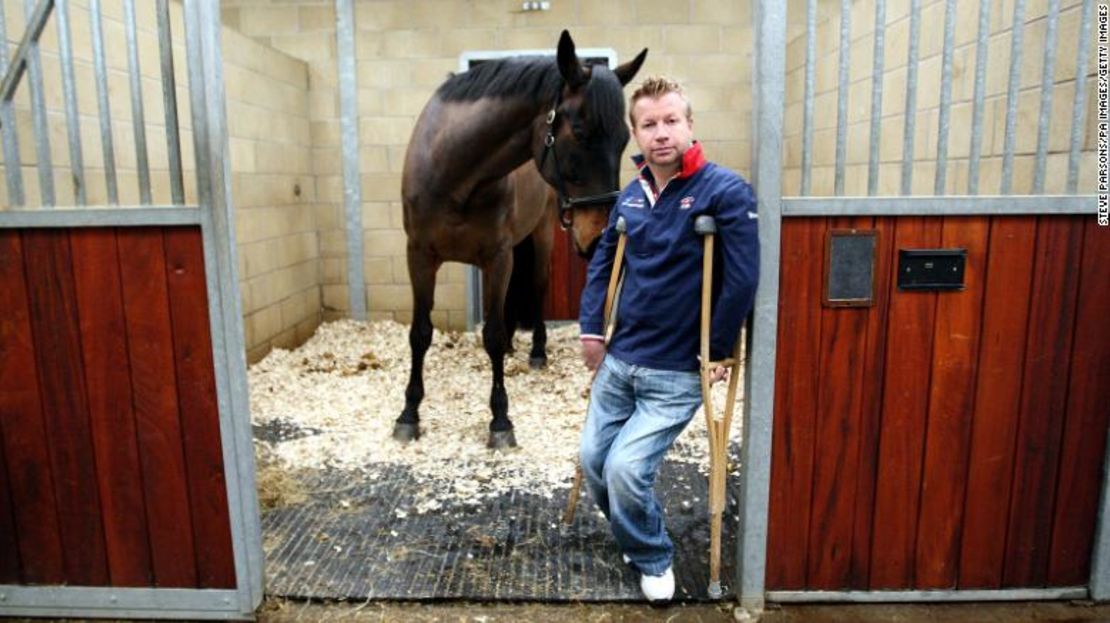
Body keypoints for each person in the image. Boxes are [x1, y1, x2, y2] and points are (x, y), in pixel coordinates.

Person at [577, 76, 760, 601]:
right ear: (635, 133)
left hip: (677, 370)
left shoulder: (725, 191)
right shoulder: (632, 195)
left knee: (625, 469)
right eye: (650, 124)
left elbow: (743, 277)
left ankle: (652, 555)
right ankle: (632, 534)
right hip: (620, 361)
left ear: (690, 124)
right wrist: (592, 329)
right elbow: (604, 263)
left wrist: (718, 347)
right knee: (594, 461)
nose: (661, 133)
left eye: (671, 121)